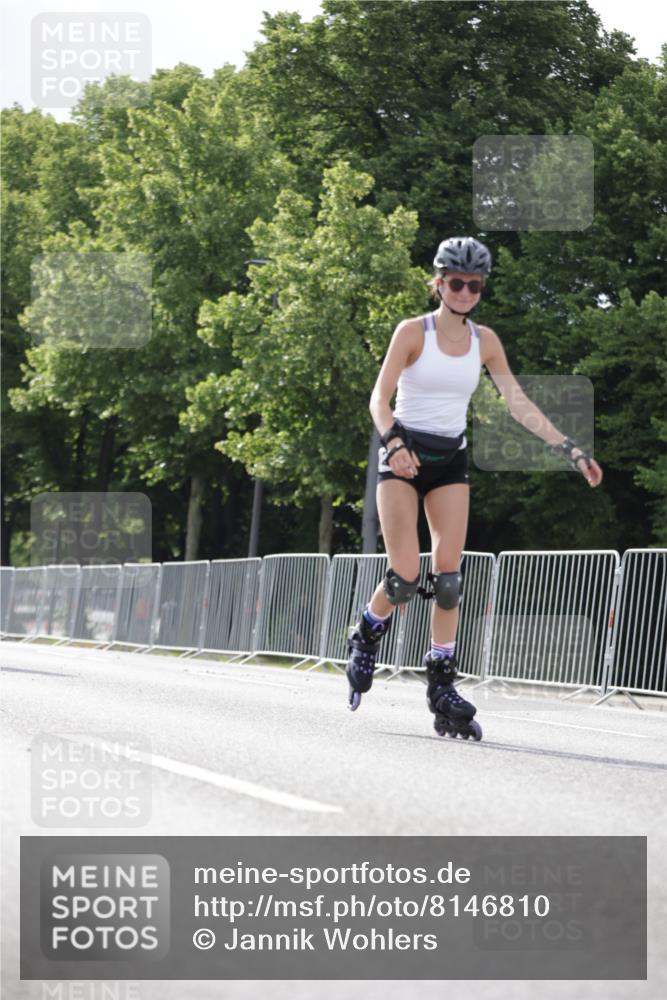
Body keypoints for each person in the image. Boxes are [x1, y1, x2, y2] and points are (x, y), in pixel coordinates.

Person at [346, 236, 603, 737]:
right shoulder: (412, 332)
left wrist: (569, 448)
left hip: (449, 460)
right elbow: (379, 398)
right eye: (457, 283)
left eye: (474, 285)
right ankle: (367, 631)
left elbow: (517, 401)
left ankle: (441, 682)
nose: (465, 292)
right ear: (439, 283)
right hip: (402, 457)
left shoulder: (485, 340)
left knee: (448, 579)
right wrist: (394, 442)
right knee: (403, 574)